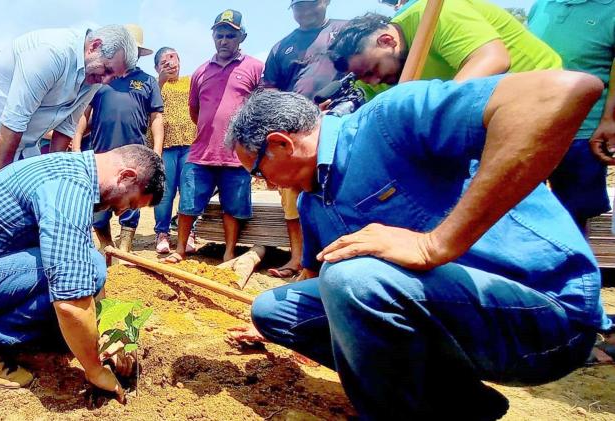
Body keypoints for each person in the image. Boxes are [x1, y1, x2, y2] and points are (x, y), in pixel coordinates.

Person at [225, 70, 605, 419]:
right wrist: (274, 326)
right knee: (274, 309)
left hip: (544, 318)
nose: (268, 185)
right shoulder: (313, 201)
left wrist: (434, 245)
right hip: (461, 327)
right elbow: (312, 279)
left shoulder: (389, 120)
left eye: (259, 171)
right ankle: (458, 407)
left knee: (351, 278)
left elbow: (561, 92)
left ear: (280, 144)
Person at [0, 144, 165, 397]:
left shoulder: (76, 173)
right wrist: (95, 369)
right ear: (126, 176)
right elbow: (70, 299)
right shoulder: (68, 189)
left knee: (87, 263)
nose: (119, 212)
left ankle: (37, 337)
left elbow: (82, 260)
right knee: (83, 272)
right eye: (129, 203)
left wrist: (102, 335)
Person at [0, 25, 137, 190]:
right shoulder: (51, 53)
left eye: (112, 77)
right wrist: (1, 183)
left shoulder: (94, 74)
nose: (105, 80)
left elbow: (66, 127)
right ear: (94, 46)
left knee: (34, 200)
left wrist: (52, 179)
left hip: (25, 140)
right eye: (106, 70)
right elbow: (14, 120)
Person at [164, 9, 263, 264]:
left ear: (242, 37)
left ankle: (229, 252)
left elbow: (260, 107)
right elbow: (195, 110)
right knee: (187, 204)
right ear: (213, 37)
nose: (224, 40)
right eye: (220, 35)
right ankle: (181, 249)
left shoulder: (254, 68)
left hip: (237, 154)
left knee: (233, 208)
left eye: (230, 35)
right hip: (201, 153)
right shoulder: (200, 72)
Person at [261, 0, 348, 278]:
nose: (305, 9)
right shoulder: (281, 47)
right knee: (294, 202)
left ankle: (333, 263)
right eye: (298, 5)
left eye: (310, 2)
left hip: (340, 125)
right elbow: (271, 94)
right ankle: (299, 260)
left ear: (325, 2)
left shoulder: (344, 32)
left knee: (336, 194)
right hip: (294, 133)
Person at [72, 24, 163, 254]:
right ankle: (106, 244)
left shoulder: (147, 81)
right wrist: (75, 145)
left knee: (131, 202)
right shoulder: (101, 78)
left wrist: (157, 154)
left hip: (135, 155)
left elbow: (156, 119)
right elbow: (83, 114)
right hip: (102, 153)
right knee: (98, 204)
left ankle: (124, 247)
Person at [528, 0, 614, 232]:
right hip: (530, 129)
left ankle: (575, 267)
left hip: (582, 134)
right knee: (521, 211)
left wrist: (610, 120)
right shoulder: (543, 5)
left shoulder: (610, 9)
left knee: (574, 217)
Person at [328, 0, 562, 84]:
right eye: (364, 77)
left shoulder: (433, 12)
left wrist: (434, 112)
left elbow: (493, 59)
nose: (375, 81)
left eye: (374, 70)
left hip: (546, 91)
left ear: (387, 41)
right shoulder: (368, 75)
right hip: (495, 112)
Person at [151, 47, 198, 255]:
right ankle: (162, 233)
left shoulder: (191, 81)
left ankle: (188, 233)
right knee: (165, 192)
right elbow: (148, 109)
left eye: (173, 57)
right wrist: (160, 80)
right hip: (166, 146)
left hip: (190, 145)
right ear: (156, 67)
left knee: (189, 189)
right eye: (164, 60)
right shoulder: (154, 85)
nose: (170, 63)